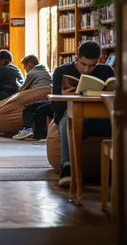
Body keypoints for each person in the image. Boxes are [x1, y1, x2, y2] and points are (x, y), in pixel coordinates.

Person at [51, 41, 115, 187]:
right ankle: (67, 167)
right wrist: (63, 96)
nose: (87, 70)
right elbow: (55, 107)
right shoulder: (61, 72)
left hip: (98, 118)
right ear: (76, 58)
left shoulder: (107, 72)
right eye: (83, 64)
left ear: (99, 61)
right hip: (68, 115)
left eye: (92, 65)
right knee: (70, 118)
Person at [13, 55, 53, 140]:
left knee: (26, 107)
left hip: (36, 94)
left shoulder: (32, 73)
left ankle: (26, 130)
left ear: (29, 65)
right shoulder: (46, 71)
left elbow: (22, 89)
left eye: (25, 68)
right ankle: (37, 133)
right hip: (47, 96)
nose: (26, 71)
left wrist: (17, 84)